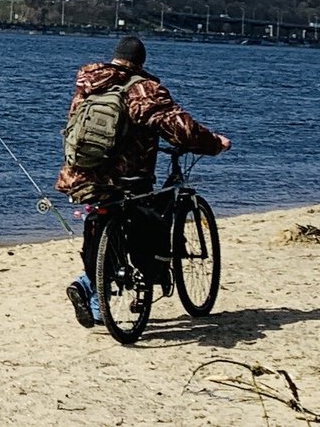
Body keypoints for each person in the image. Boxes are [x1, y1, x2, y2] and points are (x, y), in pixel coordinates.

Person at [54, 35, 231, 328]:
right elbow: (179, 127)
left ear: (114, 57)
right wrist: (213, 143)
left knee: (104, 221)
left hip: (83, 172)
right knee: (149, 225)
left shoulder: (88, 83)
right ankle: (95, 285)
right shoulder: (143, 89)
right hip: (127, 176)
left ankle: (94, 293)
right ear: (141, 62)